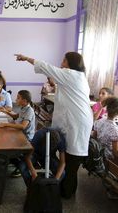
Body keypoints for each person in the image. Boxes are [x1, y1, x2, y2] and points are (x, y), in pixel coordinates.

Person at [15, 52, 93, 199]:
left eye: (64, 59)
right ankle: (63, 187)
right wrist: (54, 84)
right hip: (76, 120)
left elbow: (45, 67)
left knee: (72, 159)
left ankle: (66, 193)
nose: (62, 61)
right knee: (67, 154)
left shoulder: (70, 74)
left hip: (77, 122)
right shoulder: (78, 76)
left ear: (70, 63)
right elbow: (66, 93)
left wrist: (27, 58)